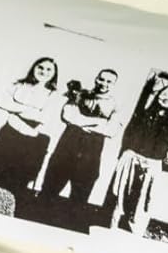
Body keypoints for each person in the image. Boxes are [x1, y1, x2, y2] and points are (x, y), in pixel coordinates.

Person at [0, 57, 59, 196]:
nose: (43, 72)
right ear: (34, 67)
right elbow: (2, 102)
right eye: (40, 67)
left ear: (54, 74)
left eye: (49, 70)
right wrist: (30, 109)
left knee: (18, 182)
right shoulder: (19, 85)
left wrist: (16, 108)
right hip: (9, 135)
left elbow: (43, 117)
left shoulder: (53, 95)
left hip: (32, 143)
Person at [109, 78, 168, 236]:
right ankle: (113, 225)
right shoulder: (144, 113)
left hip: (153, 164)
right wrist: (127, 152)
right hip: (132, 159)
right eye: (163, 94)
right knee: (122, 194)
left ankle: (133, 229)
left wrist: (162, 157)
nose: (166, 98)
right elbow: (129, 133)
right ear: (157, 96)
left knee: (143, 197)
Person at [42, 67, 121, 207]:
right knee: (48, 192)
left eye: (109, 82)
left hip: (91, 155)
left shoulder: (115, 104)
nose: (104, 83)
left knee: (79, 201)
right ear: (96, 79)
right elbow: (67, 116)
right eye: (101, 79)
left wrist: (81, 121)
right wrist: (100, 122)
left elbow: (111, 130)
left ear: (114, 85)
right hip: (66, 148)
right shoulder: (80, 94)